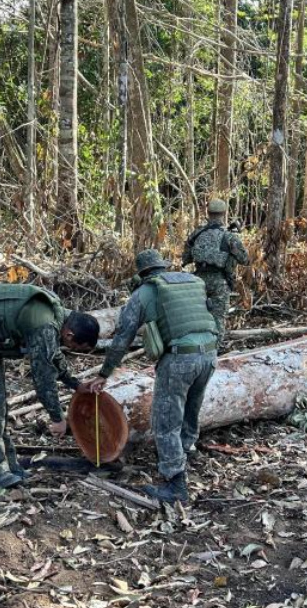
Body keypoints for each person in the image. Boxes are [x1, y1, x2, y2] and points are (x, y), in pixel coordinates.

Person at [80, 250, 218, 504]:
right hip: (209, 354)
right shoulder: (193, 282)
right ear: (163, 267)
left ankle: (175, 483)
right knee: (191, 409)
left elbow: (123, 337)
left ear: (142, 273)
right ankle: (186, 451)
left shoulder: (144, 292)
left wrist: (104, 373)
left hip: (179, 359)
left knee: (164, 420)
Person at [0, 284, 100, 488]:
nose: (69, 348)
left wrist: (76, 385)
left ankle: (10, 464)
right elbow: (43, 378)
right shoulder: (45, 324)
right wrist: (58, 418)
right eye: (74, 346)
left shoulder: (58, 316)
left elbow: (53, 356)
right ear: (70, 335)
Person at [183, 199, 249, 344]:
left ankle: (196, 346)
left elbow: (185, 258)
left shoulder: (196, 234)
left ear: (208, 213)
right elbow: (245, 259)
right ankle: (215, 350)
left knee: (198, 317)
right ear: (224, 214)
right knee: (218, 318)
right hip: (220, 281)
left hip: (198, 280)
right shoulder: (229, 237)